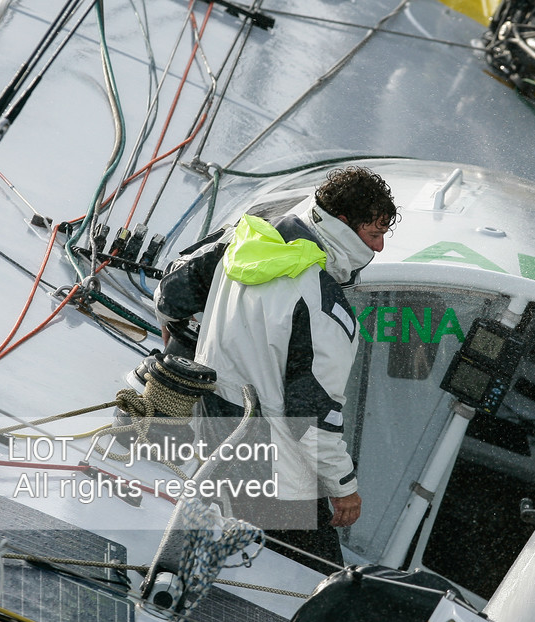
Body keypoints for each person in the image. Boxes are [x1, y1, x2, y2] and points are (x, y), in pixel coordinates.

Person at [153, 167, 398, 567]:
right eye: (375, 235)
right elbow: (313, 417)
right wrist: (344, 488)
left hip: (210, 439)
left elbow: (169, 296)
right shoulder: (324, 307)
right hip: (271, 474)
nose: (381, 247)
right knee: (317, 580)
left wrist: (187, 338)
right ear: (342, 226)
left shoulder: (242, 237)